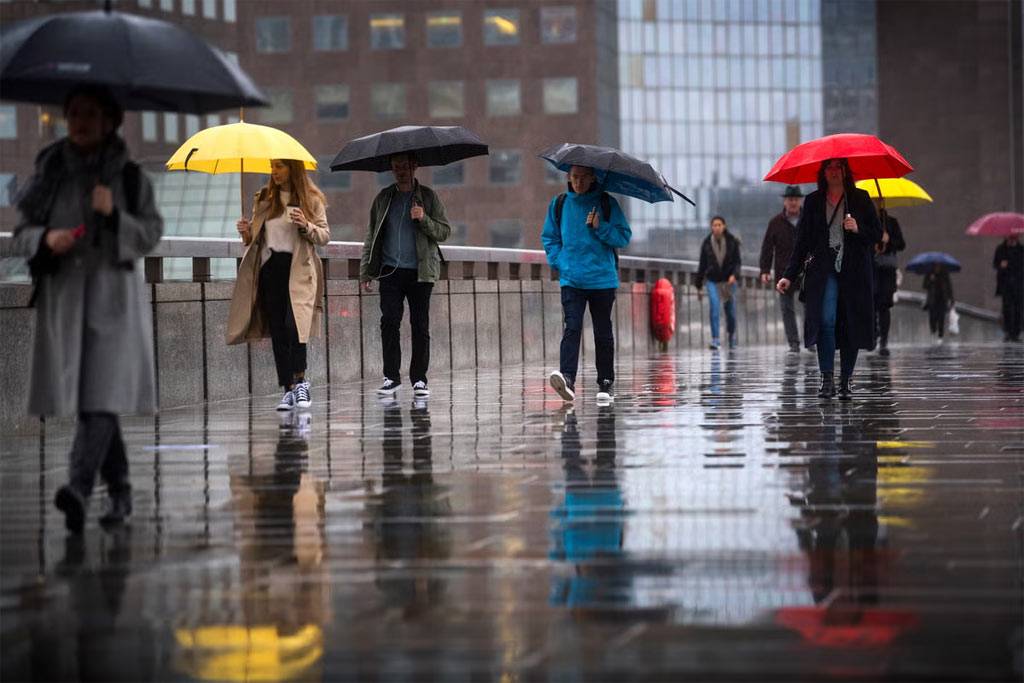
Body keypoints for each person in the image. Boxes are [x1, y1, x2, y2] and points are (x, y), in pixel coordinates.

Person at [12, 85, 163, 533]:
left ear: (109, 121)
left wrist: (115, 213)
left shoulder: (131, 176)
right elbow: (22, 232)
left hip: (114, 301)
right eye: (74, 112)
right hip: (66, 300)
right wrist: (44, 239)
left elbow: (151, 232)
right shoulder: (49, 169)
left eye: (90, 114)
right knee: (93, 398)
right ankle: (119, 495)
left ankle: (78, 487)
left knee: (100, 395)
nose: (79, 121)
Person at [227, 159, 330, 411]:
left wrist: (305, 225)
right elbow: (256, 238)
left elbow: (324, 236)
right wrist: (245, 232)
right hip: (270, 269)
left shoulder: (311, 199)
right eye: (272, 166)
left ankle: (301, 381)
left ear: (293, 169)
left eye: (280, 166)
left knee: (294, 324)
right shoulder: (264, 198)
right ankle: (288, 388)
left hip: (298, 270)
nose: (274, 171)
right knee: (278, 330)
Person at [776, 158, 882, 400]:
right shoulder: (813, 201)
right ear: (823, 172)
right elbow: (801, 242)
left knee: (850, 323)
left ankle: (846, 380)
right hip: (824, 272)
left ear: (845, 171)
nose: (834, 172)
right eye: (829, 168)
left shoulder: (861, 199)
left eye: (838, 167)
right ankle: (827, 378)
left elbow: (875, 234)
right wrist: (788, 276)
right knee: (826, 320)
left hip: (854, 272)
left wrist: (857, 228)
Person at [360, 153, 451, 398]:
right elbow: (371, 235)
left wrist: (423, 219)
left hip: (421, 273)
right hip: (390, 271)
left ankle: (419, 379)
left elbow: (444, 231)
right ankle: (391, 377)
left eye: (404, 166)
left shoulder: (429, 197)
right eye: (396, 167)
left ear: (415, 166)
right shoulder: (383, 198)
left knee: (419, 325)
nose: (400, 171)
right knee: (389, 321)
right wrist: (366, 270)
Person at [542, 165, 632, 403]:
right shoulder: (559, 204)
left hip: (602, 279)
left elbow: (623, 237)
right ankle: (567, 378)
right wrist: (560, 262)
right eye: (574, 178)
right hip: (571, 279)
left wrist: (600, 226)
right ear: (568, 178)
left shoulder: (606, 203)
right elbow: (549, 238)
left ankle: (605, 382)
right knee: (571, 327)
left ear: (593, 178)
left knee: (603, 332)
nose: (578, 182)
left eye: (583, 178)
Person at [760, 185, 804, 352]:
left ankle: (811, 340)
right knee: (787, 309)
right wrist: (764, 270)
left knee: (810, 307)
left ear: (800, 201)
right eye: (790, 200)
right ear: (785, 202)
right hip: (783, 272)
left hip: (806, 270)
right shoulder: (776, 223)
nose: (793, 203)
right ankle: (793, 342)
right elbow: (767, 248)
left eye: (795, 199)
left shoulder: (809, 219)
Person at [696, 215, 742, 350]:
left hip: (729, 280)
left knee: (730, 311)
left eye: (719, 225)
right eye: (714, 225)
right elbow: (702, 265)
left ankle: (731, 335)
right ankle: (715, 339)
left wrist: (734, 275)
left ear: (724, 226)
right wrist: (698, 285)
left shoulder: (732, 241)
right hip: (712, 280)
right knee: (714, 307)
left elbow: (737, 262)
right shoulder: (706, 243)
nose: (716, 228)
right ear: (711, 227)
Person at [872, 206, 906, 356]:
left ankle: (883, 341)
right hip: (872, 268)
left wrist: (889, 240)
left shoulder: (891, 222)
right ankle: (874, 334)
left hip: (887, 270)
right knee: (871, 302)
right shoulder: (867, 222)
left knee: (884, 304)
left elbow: (901, 244)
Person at [993, 235, 1023, 342]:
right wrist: (1001, 266)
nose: (1011, 240)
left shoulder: (1021, 250)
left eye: (1013, 238)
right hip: (1006, 285)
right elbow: (995, 264)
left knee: (1018, 309)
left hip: (1019, 285)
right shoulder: (1000, 249)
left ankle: (1016, 333)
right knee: (1007, 309)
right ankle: (1008, 332)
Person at [922, 264, 954, 344]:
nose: (937, 267)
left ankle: (940, 336)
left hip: (942, 299)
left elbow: (949, 287)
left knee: (941, 318)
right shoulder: (929, 273)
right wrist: (931, 280)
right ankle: (933, 331)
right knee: (932, 317)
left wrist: (951, 299)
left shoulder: (945, 274)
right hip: (932, 300)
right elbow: (925, 285)